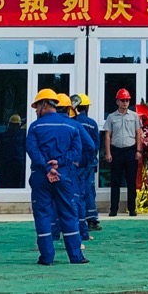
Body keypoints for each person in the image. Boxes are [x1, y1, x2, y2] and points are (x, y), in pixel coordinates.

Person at [25, 88, 88, 265]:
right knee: (69, 213)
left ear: (45, 105)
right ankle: (76, 256)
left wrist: (47, 168)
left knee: (43, 215)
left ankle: (46, 258)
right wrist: (59, 163)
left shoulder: (35, 127)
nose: (36, 111)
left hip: (41, 176)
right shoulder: (71, 126)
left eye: (37, 106)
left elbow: (32, 150)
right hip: (64, 175)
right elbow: (77, 152)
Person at [53, 93, 94, 243]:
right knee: (75, 201)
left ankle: (52, 236)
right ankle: (80, 236)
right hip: (70, 170)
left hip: (50, 170)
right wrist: (81, 162)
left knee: (51, 203)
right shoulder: (74, 125)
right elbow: (91, 146)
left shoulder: (43, 125)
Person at [103, 88, 141, 217]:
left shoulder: (134, 116)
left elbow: (138, 133)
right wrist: (108, 153)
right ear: (117, 102)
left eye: (127, 100)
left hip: (130, 151)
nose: (125, 103)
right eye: (123, 100)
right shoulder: (111, 117)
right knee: (115, 181)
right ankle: (114, 209)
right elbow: (107, 135)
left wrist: (138, 150)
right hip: (116, 151)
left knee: (131, 181)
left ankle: (132, 208)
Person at [74, 94, 102, 230]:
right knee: (89, 189)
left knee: (76, 190)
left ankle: (77, 218)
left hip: (76, 162)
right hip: (89, 162)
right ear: (86, 108)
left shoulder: (73, 122)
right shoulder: (92, 123)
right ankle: (91, 219)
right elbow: (95, 145)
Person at [0, 114, 26, 189]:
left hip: (6, 164)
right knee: (18, 184)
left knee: (5, 184)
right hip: (19, 163)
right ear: (19, 124)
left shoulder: (3, 135)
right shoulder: (23, 135)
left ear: (9, 124)